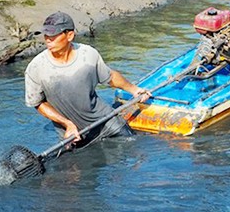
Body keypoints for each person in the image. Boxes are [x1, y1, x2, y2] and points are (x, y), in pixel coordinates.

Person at [25, 12, 150, 146]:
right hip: (72, 135)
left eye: (53, 35)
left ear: (70, 35)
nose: (48, 39)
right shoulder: (36, 68)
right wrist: (67, 124)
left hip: (106, 122)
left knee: (134, 148)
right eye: (46, 35)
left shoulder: (88, 54)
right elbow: (38, 104)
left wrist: (135, 89)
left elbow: (110, 76)